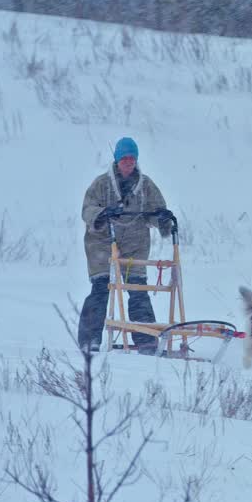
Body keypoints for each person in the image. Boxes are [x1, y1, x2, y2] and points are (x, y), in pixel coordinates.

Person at [76, 137, 175, 354]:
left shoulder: (146, 185)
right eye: (125, 159)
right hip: (102, 240)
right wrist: (102, 214)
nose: (129, 162)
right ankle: (89, 339)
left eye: (132, 159)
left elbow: (156, 211)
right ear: (117, 160)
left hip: (135, 241)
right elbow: (87, 209)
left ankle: (146, 339)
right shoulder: (101, 184)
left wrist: (163, 220)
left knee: (137, 288)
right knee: (101, 287)